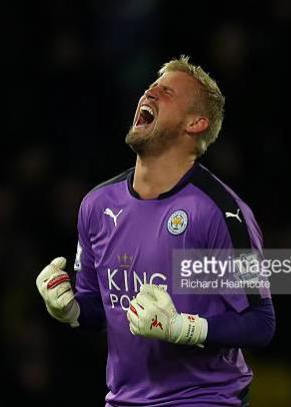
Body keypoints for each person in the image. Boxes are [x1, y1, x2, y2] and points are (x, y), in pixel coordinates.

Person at [36, 56, 275, 406]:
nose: (149, 92)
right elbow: (97, 308)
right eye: (151, 86)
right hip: (123, 400)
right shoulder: (97, 205)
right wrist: (68, 310)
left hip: (204, 398)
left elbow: (259, 322)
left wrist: (182, 327)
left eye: (166, 92)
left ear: (196, 123)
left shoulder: (220, 212)